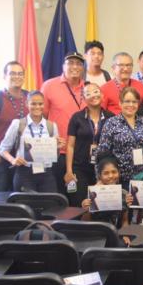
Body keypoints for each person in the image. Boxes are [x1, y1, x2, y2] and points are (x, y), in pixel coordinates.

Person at [0, 91, 61, 192]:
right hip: (24, 173)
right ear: (27, 104)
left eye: (40, 104)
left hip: (46, 174)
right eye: (33, 103)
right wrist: (13, 160)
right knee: (25, 206)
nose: (37, 107)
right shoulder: (18, 124)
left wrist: (57, 147)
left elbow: (55, 156)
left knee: (50, 205)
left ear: (44, 104)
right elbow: (2, 148)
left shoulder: (51, 126)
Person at [41, 52, 86, 193]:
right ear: (63, 66)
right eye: (70, 63)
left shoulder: (89, 88)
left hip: (81, 153)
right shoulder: (49, 86)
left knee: (78, 195)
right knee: (58, 195)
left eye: (78, 63)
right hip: (58, 152)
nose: (75, 66)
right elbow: (41, 117)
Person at [64, 83, 114, 206]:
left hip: (103, 170)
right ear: (83, 98)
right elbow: (70, 145)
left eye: (96, 92)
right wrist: (69, 170)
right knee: (82, 204)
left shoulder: (111, 117)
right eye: (88, 93)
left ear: (102, 95)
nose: (93, 95)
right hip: (80, 168)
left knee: (100, 205)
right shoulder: (77, 118)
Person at [97, 87, 143, 188]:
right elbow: (102, 153)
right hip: (119, 179)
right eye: (127, 101)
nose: (131, 105)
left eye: (134, 102)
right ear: (120, 103)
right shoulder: (111, 123)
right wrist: (99, 179)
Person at [0, 61, 29, 191]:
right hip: (1, 158)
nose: (17, 76)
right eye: (12, 73)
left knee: (21, 199)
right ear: (4, 76)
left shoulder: (30, 97)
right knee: (1, 200)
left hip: (24, 159)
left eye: (20, 73)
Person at [81, 154, 132, 228]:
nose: (111, 176)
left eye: (114, 172)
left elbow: (125, 221)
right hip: (96, 233)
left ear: (119, 173)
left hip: (116, 234)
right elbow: (84, 222)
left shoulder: (124, 194)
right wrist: (86, 210)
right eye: (106, 173)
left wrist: (126, 235)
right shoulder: (93, 193)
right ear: (100, 176)